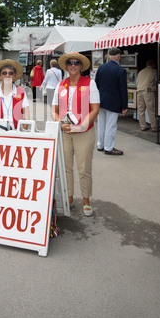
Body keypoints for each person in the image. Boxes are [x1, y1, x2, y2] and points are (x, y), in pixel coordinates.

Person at [51, 52, 100, 216]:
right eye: (70, 63)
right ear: (66, 66)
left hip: (84, 132)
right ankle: (69, 197)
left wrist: (82, 126)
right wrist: (59, 122)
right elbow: (54, 110)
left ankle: (86, 200)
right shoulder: (61, 85)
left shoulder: (89, 83)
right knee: (65, 168)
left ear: (81, 66)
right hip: (65, 132)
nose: (73, 65)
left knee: (84, 167)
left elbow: (95, 109)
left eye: (76, 63)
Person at [0, 59, 30, 155]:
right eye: (4, 73)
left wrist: (21, 133)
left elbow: (26, 116)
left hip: (16, 136)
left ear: (14, 77)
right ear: (0, 76)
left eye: (10, 73)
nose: (7, 75)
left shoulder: (21, 92)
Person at [95, 47, 128, 155]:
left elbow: (97, 85)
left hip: (101, 100)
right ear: (119, 56)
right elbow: (123, 90)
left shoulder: (101, 68)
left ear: (109, 56)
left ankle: (100, 145)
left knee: (101, 124)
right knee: (111, 125)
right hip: (114, 102)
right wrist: (125, 105)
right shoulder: (121, 70)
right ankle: (109, 147)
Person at [136, 59, 157, 132]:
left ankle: (143, 126)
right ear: (153, 65)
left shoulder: (140, 72)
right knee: (151, 110)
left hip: (139, 92)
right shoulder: (154, 71)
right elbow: (156, 82)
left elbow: (137, 82)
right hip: (148, 91)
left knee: (140, 110)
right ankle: (154, 127)